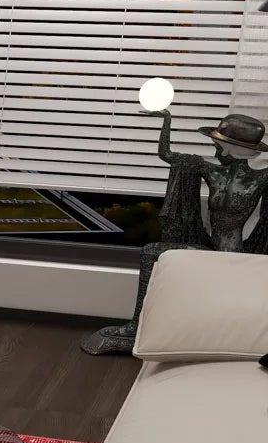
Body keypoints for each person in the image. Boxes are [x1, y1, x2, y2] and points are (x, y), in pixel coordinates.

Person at [82, 110, 268, 354]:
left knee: (152, 252)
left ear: (229, 149)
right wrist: (166, 119)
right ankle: (137, 326)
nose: (214, 151)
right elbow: (167, 155)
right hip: (211, 250)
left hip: (234, 256)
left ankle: (137, 327)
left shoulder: (261, 178)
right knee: (153, 252)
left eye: (217, 145)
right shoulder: (213, 173)